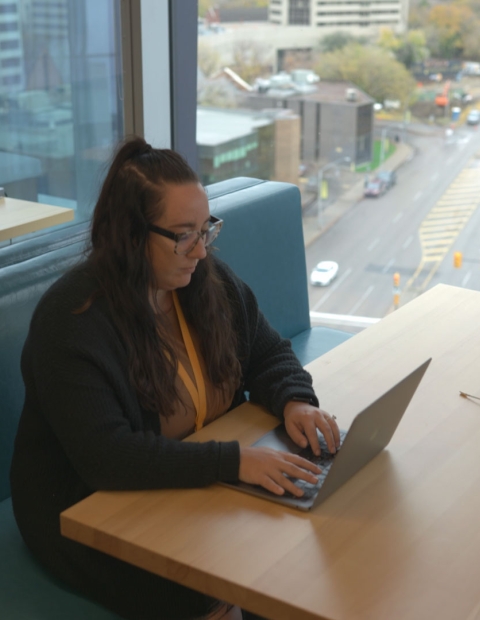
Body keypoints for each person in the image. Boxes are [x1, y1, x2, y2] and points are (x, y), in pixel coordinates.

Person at [10, 136, 340, 620]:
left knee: (300, 549)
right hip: (87, 508)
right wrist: (234, 463)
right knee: (206, 590)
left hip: (190, 487)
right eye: (183, 234)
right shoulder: (72, 320)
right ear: (129, 234)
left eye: (206, 230)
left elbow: (267, 351)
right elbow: (108, 457)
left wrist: (295, 401)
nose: (200, 251)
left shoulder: (203, 281)